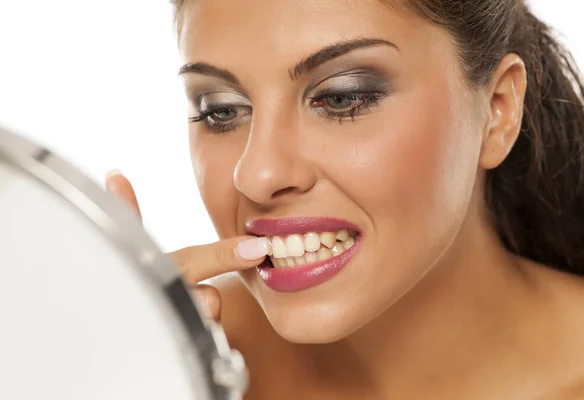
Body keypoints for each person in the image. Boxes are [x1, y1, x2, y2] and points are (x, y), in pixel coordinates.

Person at [106, 0, 584, 398]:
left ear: (497, 111)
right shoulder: (154, 363)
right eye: (222, 111)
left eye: (341, 97)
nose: (257, 174)